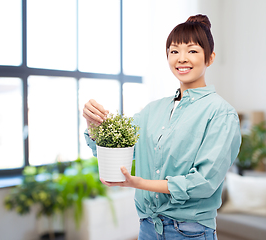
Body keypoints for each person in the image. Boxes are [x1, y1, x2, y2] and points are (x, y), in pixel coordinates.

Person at [83, 14, 241, 240]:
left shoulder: (221, 113)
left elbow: (203, 183)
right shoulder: (151, 111)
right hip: (148, 227)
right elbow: (116, 149)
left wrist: (138, 183)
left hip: (190, 232)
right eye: (174, 51)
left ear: (210, 57)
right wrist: (93, 125)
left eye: (192, 51)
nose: (181, 58)